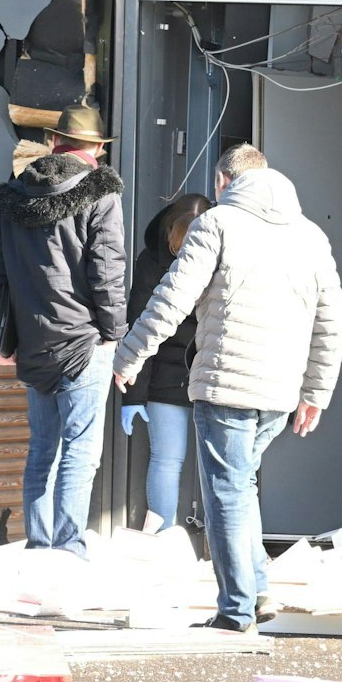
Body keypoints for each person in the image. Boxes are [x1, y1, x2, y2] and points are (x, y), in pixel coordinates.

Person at [114, 145, 342, 633]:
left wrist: (130, 355)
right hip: (280, 391)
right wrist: (316, 392)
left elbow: (172, 297)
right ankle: (256, 591)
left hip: (226, 384)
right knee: (241, 487)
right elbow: (331, 322)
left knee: (227, 493)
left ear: (223, 181)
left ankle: (236, 611)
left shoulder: (217, 223)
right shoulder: (311, 235)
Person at [0, 104, 127, 559]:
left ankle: (39, 548)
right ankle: (67, 551)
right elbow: (107, 269)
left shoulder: (14, 195)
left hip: (32, 343)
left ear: (53, 142)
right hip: (83, 342)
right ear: (97, 149)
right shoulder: (100, 192)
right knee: (80, 453)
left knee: (43, 449)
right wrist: (114, 332)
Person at [120, 193, 212, 531]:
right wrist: (133, 396)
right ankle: (161, 538)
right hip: (165, 374)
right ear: (168, 231)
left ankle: (221, 545)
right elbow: (139, 324)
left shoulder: (224, 258)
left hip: (210, 373)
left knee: (218, 468)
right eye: (178, 243)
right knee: (168, 460)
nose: (182, 249)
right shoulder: (152, 261)